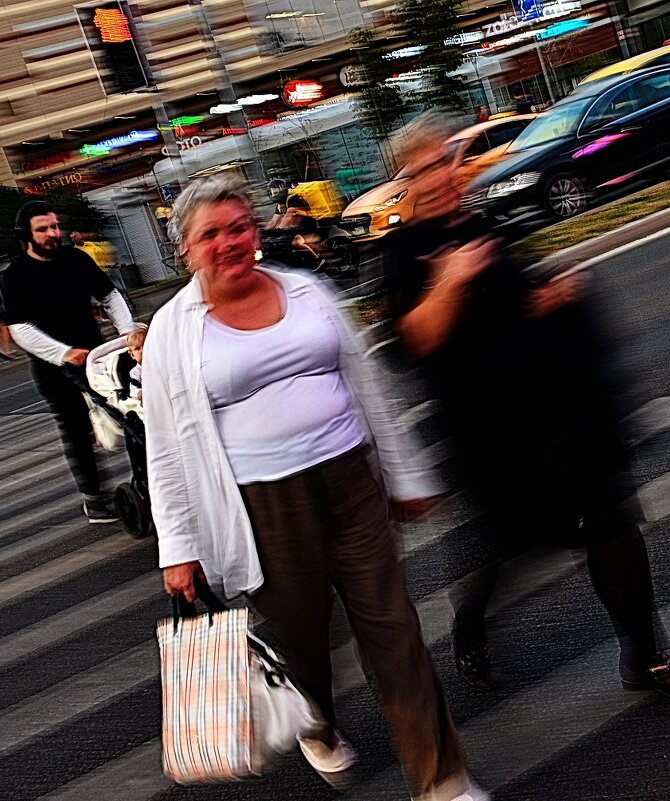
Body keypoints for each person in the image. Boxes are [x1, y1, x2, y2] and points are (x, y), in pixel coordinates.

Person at [146, 173, 484, 801]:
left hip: (351, 480)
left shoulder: (307, 290)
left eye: (240, 227)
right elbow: (164, 444)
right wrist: (178, 547)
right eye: (211, 234)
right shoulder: (173, 329)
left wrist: (403, 475)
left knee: (394, 631)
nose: (230, 243)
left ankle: (442, 780)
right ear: (186, 250)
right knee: (303, 641)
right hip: (263, 508)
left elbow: (369, 388)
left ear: (257, 229)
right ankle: (317, 723)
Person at [379, 114, 670, 699]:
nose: (443, 174)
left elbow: (515, 302)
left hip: (555, 416)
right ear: (405, 178)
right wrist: (451, 282)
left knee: (611, 524)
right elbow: (416, 341)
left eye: (450, 160)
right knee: (509, 544)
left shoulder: (486, 224)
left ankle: (645, 657)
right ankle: (471, 620)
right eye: (427, 166)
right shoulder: (402, 251)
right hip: (487, 432)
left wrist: (549, 298)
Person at [0, 200, 136, 525]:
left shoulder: (76, 259)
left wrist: (128, 332)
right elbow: (20, 328)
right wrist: (62, 353)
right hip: (53, 368)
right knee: (76, 430)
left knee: (130, 417)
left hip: (97, 359)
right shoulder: (15, 276)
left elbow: (110, 296)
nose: (52, 233)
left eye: (55, 226)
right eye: (43, 229)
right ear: (27, 236)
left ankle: (146, 485)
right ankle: (95, 498)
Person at [125, 324, 145, 401]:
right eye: (137, 348)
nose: (143, 350)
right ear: (132, 354)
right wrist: (139, 392)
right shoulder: (135, 372)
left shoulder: (160, 364)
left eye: (146, 345)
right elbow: (132, 390)